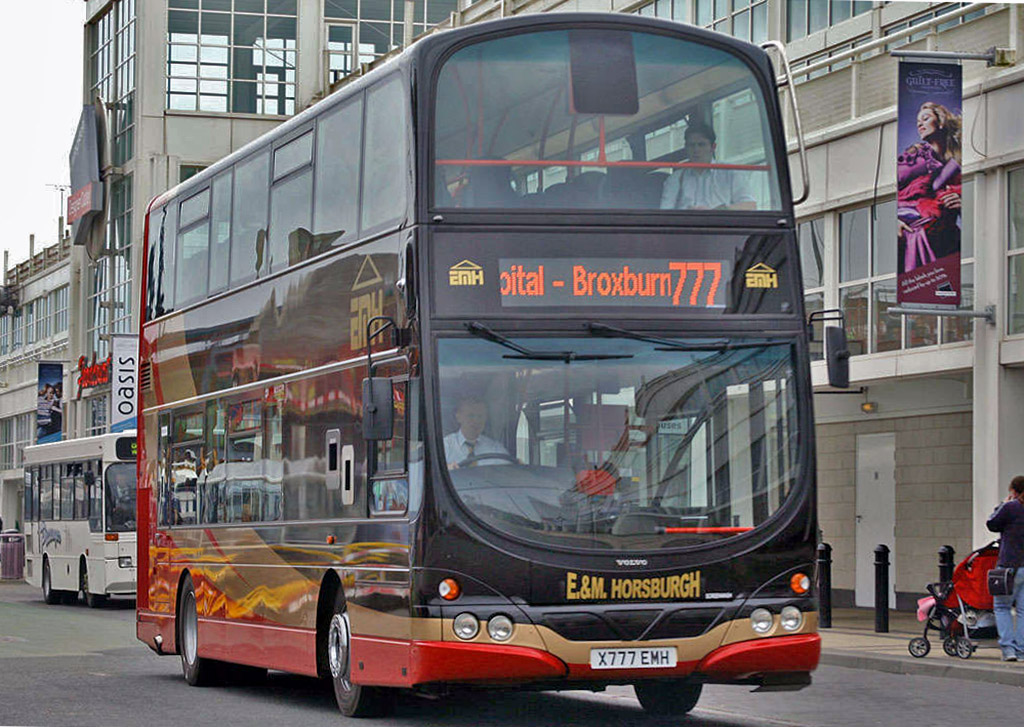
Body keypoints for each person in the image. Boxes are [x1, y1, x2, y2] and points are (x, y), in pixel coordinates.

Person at [897, 101, 962, 272]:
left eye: (925, 119)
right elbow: (890, 186)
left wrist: (961, 200)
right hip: (910, 224)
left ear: (940, 122)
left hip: (941, 233)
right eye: (918, 121)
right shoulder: (918, 157)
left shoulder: (955, 163)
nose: (920, 124)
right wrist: (893, 220)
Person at [659, 122, 757, 211]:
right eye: (691, 145)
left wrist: (718, 211)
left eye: (701, 145)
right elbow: (665, 212)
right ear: (686, 148)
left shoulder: (731, 172)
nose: (696, 150)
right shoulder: (675, 178)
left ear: (713, 147)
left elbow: (750, 205)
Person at [986, 475, 1024, 661]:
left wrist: (1002, 504)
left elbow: (992, 523)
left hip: (1009, 564)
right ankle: (1022, 651)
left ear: (1014, 491)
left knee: (1002, 607)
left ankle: (1008, 649)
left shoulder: (1011, 507)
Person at [443, 396, 509, 469]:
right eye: (471, 416)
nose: (476, 421)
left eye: (480, 416)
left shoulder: (495, 449)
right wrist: (446, 469)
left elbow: (509, 473)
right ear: (458, 417)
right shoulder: (445, 447)